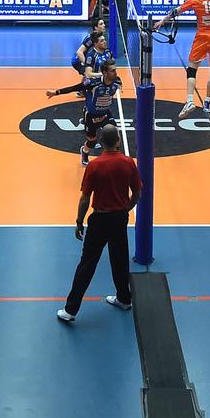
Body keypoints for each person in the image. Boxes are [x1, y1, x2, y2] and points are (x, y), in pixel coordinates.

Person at [59, 124, 141, 324]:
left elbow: (85, 198)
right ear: (118, 141)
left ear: (100, 142)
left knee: (87, 263)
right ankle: (124, 299)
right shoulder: (128, 162)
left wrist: (79, 222)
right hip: (120, 219)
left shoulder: (95, 166)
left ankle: (71, 310)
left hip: (100, 220)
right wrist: (125, 209)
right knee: (120, 260)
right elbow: (137, 194)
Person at [44, 54, 120, 166]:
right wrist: (55, 93)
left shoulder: (117, 81)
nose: (115, 73)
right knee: (92, 142)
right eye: (112, 71)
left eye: (115, 70)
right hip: (91, 115)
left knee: (115, 135)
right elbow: (74, 88)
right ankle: (84, 152)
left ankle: (115, 159)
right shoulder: (93, 83)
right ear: (104, 72)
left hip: (105, 114)